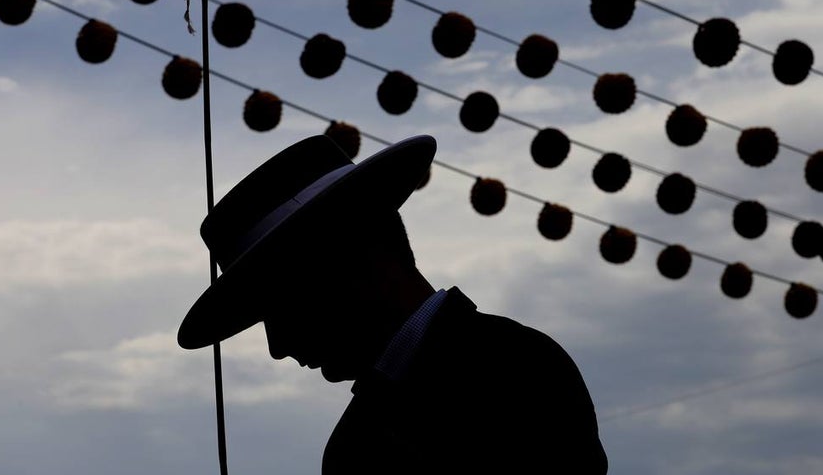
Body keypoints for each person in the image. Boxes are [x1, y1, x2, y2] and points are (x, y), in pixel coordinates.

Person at [177, 134, 608, 473]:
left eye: (279, 307)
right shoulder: (355, 439)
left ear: (348, 262)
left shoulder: (516, 368)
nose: (278, 346)